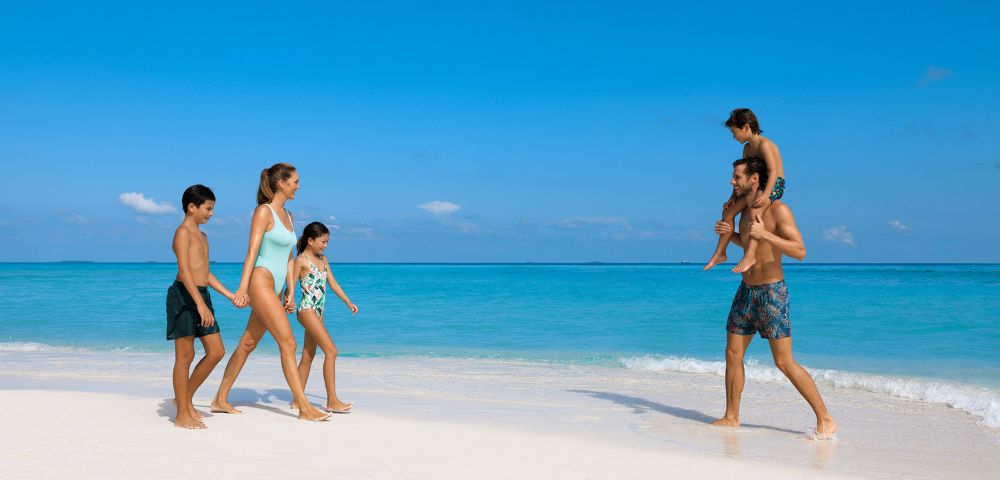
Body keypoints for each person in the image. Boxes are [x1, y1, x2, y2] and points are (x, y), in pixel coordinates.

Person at [710, 157, 837, 438]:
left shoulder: (779, 210)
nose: (733, 182)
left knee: (783, 362)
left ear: (754, 179)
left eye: (737, 177)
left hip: (771, 293)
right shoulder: (743, 212)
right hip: (746, 290)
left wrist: (766, 234)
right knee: (732, 354)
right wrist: (729, 235)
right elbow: (748, 244)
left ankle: (825, 418)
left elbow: (800, 251)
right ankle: (731, 416)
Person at [211, 163, 332, 421]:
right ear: (282, 183)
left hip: (276, 286)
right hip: (260, 280)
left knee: (247, 343)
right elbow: (252, 252)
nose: (299, 186)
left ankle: (219, 399)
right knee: (288, 342)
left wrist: (289, 290)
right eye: (295, 181)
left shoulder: (289, 215)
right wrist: (242, 288)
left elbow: (289, 257)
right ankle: (304, 407)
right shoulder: (263, 212)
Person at [167, 184, 235, 429]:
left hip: (201, 294)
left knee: (216, 351)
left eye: (212, 209)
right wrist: (200, 305)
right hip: (184, 296)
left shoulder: (203, 236)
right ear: (191, 207)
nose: (211, 213)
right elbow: (185, 272)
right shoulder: (182, 232)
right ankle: (182, 414)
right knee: (185, 356)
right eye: (208, 208)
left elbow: (204, 273)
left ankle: (183, 400)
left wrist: (230, 295)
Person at [705, 108, 785, 273]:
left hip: (774, 184)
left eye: (735, 132)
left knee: (756, 210)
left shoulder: (765, 145)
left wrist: (767, 195)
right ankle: (720, 252)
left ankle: (750, 255)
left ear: (746, 127)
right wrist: (732, 197)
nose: (734, 137)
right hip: (755, 185)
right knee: (727, 212)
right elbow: (743, 175)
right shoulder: (748, 149)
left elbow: (774, 172)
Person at [291, 222, 359, 413]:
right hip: (307, 310)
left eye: (327, 241)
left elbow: (333, 284)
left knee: (308, 355)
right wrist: (288, 300)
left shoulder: (323, 260)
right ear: (310, 240)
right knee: (331, 351)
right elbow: (291, 285)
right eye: (323, 241)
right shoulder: (301, 261)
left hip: (318, 312)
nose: (325, 245)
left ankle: (297, 399)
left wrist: (348, 301)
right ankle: (332, 400)